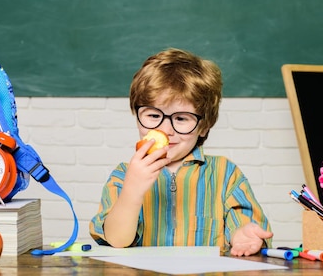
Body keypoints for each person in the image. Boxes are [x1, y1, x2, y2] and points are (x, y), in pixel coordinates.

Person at [90, 48, 273, 256]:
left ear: (203, 126)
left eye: (181, 118)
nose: (166, 130)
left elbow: (246, 226)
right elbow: (116, 241)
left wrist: (243, 235)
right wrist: (132, 189)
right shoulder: (123, 175)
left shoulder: (226, 175)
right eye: (152, 115)